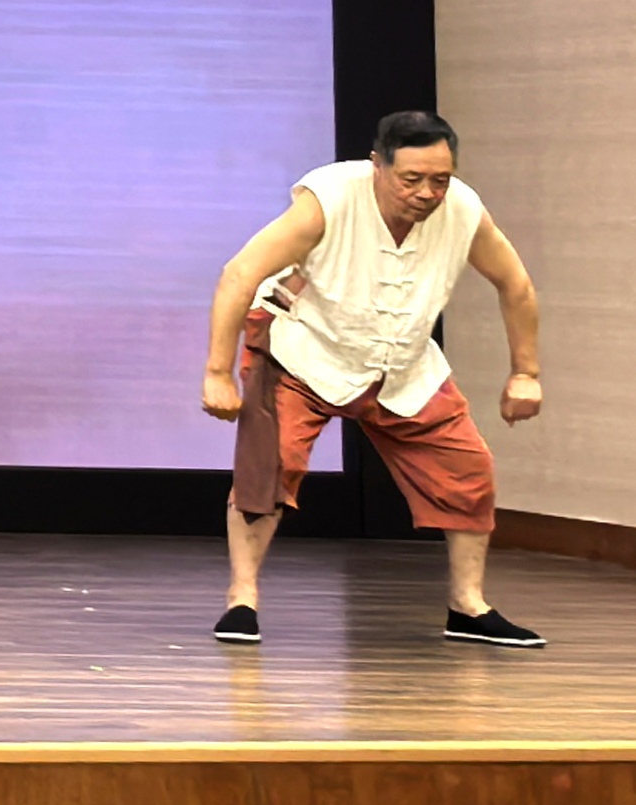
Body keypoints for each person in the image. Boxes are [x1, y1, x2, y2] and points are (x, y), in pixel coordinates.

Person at [201, 111, 546, 648]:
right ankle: (242, 599)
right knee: (268, 469)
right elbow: (240, 273)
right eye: (412, 179)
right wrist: (218, 372)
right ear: (377, 166)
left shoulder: (462, 209)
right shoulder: (330, 198)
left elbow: (515, 284)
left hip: (400, 361)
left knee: (468, 469)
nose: (427, 193)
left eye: (440, 179)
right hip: (303, 350)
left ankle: (468, 606)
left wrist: (526, 371)